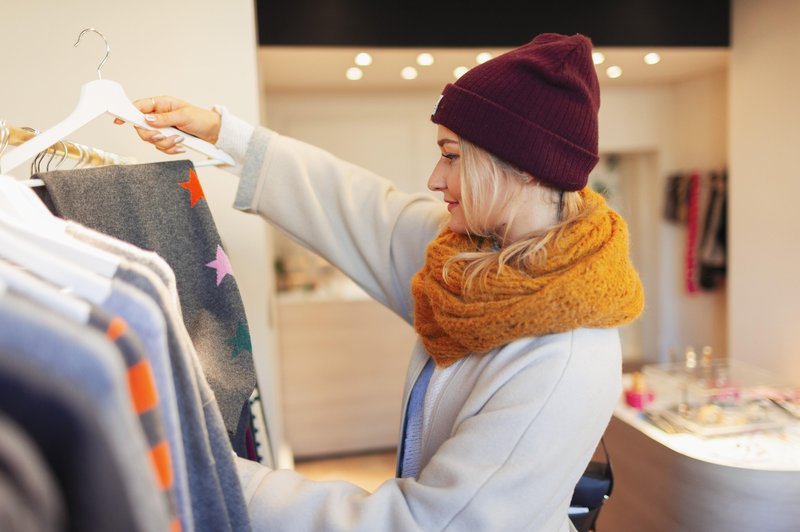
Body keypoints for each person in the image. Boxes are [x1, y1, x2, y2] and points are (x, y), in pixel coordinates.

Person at [124, 33, 644, 532]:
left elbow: (427, 525)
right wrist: (224, 134)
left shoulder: (563, 357)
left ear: (526, 167)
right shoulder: (467, 262)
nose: (434, 179)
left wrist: (215, 470)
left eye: (453, 155)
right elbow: (364, 208)